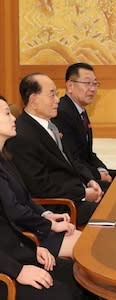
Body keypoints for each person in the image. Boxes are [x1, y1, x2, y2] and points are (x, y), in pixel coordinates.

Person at [5, 73, 103, 226]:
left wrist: (89, 180)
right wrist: (82, 193)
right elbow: (40, 186)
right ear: (33, 100)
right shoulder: (22, 135)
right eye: (52, 95)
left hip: (75, 192)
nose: (57, 100)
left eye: (57, 94)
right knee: (114, 211)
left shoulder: (51, 125)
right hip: (61, 206)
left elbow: (72, 160)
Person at [0, 96, 80, 258]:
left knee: (90, 242)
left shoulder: (5, 157)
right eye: (7, 114)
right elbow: (15, 211)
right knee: (87, 250)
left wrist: (46, 215)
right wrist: (49, 225)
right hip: (23, 236)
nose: (14, 118)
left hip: (34, 225)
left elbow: (26, 198)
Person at [0, 197, 88, 299]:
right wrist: (18, 271)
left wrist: (33, 249)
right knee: (61, 294)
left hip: (15, 258)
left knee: (79, 275)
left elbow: (6, 227)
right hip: (6, 275)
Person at [53, 63, 116, 191]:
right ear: (70, 86)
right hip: (77, 178)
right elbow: (72, 159)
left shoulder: (79, 110)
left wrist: (102, 170)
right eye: (87, 83)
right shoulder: (62, 112)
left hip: (87, 170)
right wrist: (98, 175)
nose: (92, 89)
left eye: (95, 84)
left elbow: (88, 154)